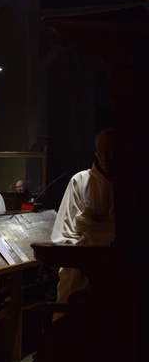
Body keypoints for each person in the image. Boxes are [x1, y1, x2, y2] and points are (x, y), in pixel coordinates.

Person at [50, 128, 115, 306]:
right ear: (96, 153)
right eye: (104, 153)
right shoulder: (80, 181)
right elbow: (63, 234)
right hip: (80, 271)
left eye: (113, 153)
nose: (108, 158)